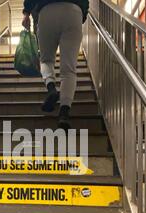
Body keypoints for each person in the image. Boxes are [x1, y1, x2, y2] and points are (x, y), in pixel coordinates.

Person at [22, 0, 89, 130]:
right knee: (69, 69)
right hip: (73, 11)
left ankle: (52, 88)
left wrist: (26, 13)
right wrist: (83, 14)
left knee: (46, 60)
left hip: (47, 11)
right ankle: (64, 114)